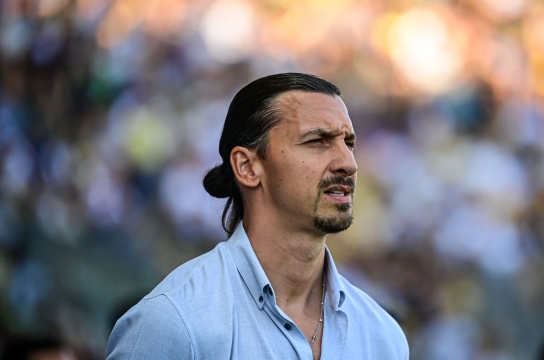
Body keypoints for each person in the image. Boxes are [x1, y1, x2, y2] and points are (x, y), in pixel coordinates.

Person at [106, 73, 409, 359]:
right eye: (317, 141)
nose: (348, 163)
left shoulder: (382, 336)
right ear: (248, 167)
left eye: (349, 143)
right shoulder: (174, 321)